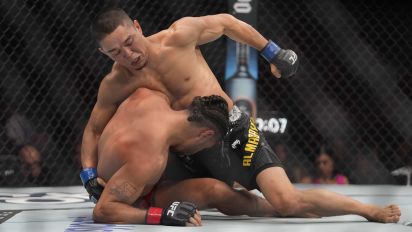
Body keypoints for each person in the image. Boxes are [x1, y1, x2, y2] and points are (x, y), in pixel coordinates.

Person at [81, 8, 400, 223]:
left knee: (286, 200)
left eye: (129, 42)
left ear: (137, 28)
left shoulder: (179, 36)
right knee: (220, 199)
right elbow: (94, 128)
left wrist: (272, 51)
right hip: (186, 146)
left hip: (230, 130)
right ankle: (271, 211)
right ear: (104, 54)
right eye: (115, 53)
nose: (129, 55)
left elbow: (227, 23)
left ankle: (367, 210)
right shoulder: (117, 81)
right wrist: (88, 172)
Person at [93, 88, 276, 226]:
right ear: (205, 134)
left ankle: (279, 207)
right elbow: (103, 210)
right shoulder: (149, 157)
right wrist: (161, 215)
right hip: (136, 196)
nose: (199, 150)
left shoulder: (151, 95)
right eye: (207, 145)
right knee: (217, 191)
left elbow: (93, 129)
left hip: (133, 173)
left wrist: (87, 174)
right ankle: (279, 209)